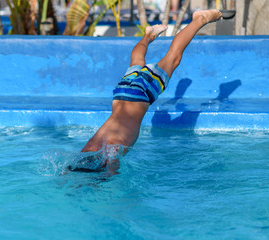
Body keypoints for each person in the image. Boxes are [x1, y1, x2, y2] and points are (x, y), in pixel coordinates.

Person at [69, 9, 223, 173]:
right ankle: (148, 35)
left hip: (140, 96)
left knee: (173, 57)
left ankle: (199, 19)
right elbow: (72, 168)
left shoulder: (108, 156)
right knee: (136, 62)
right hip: (122, 93)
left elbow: (112, 169)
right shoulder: (87, 150)